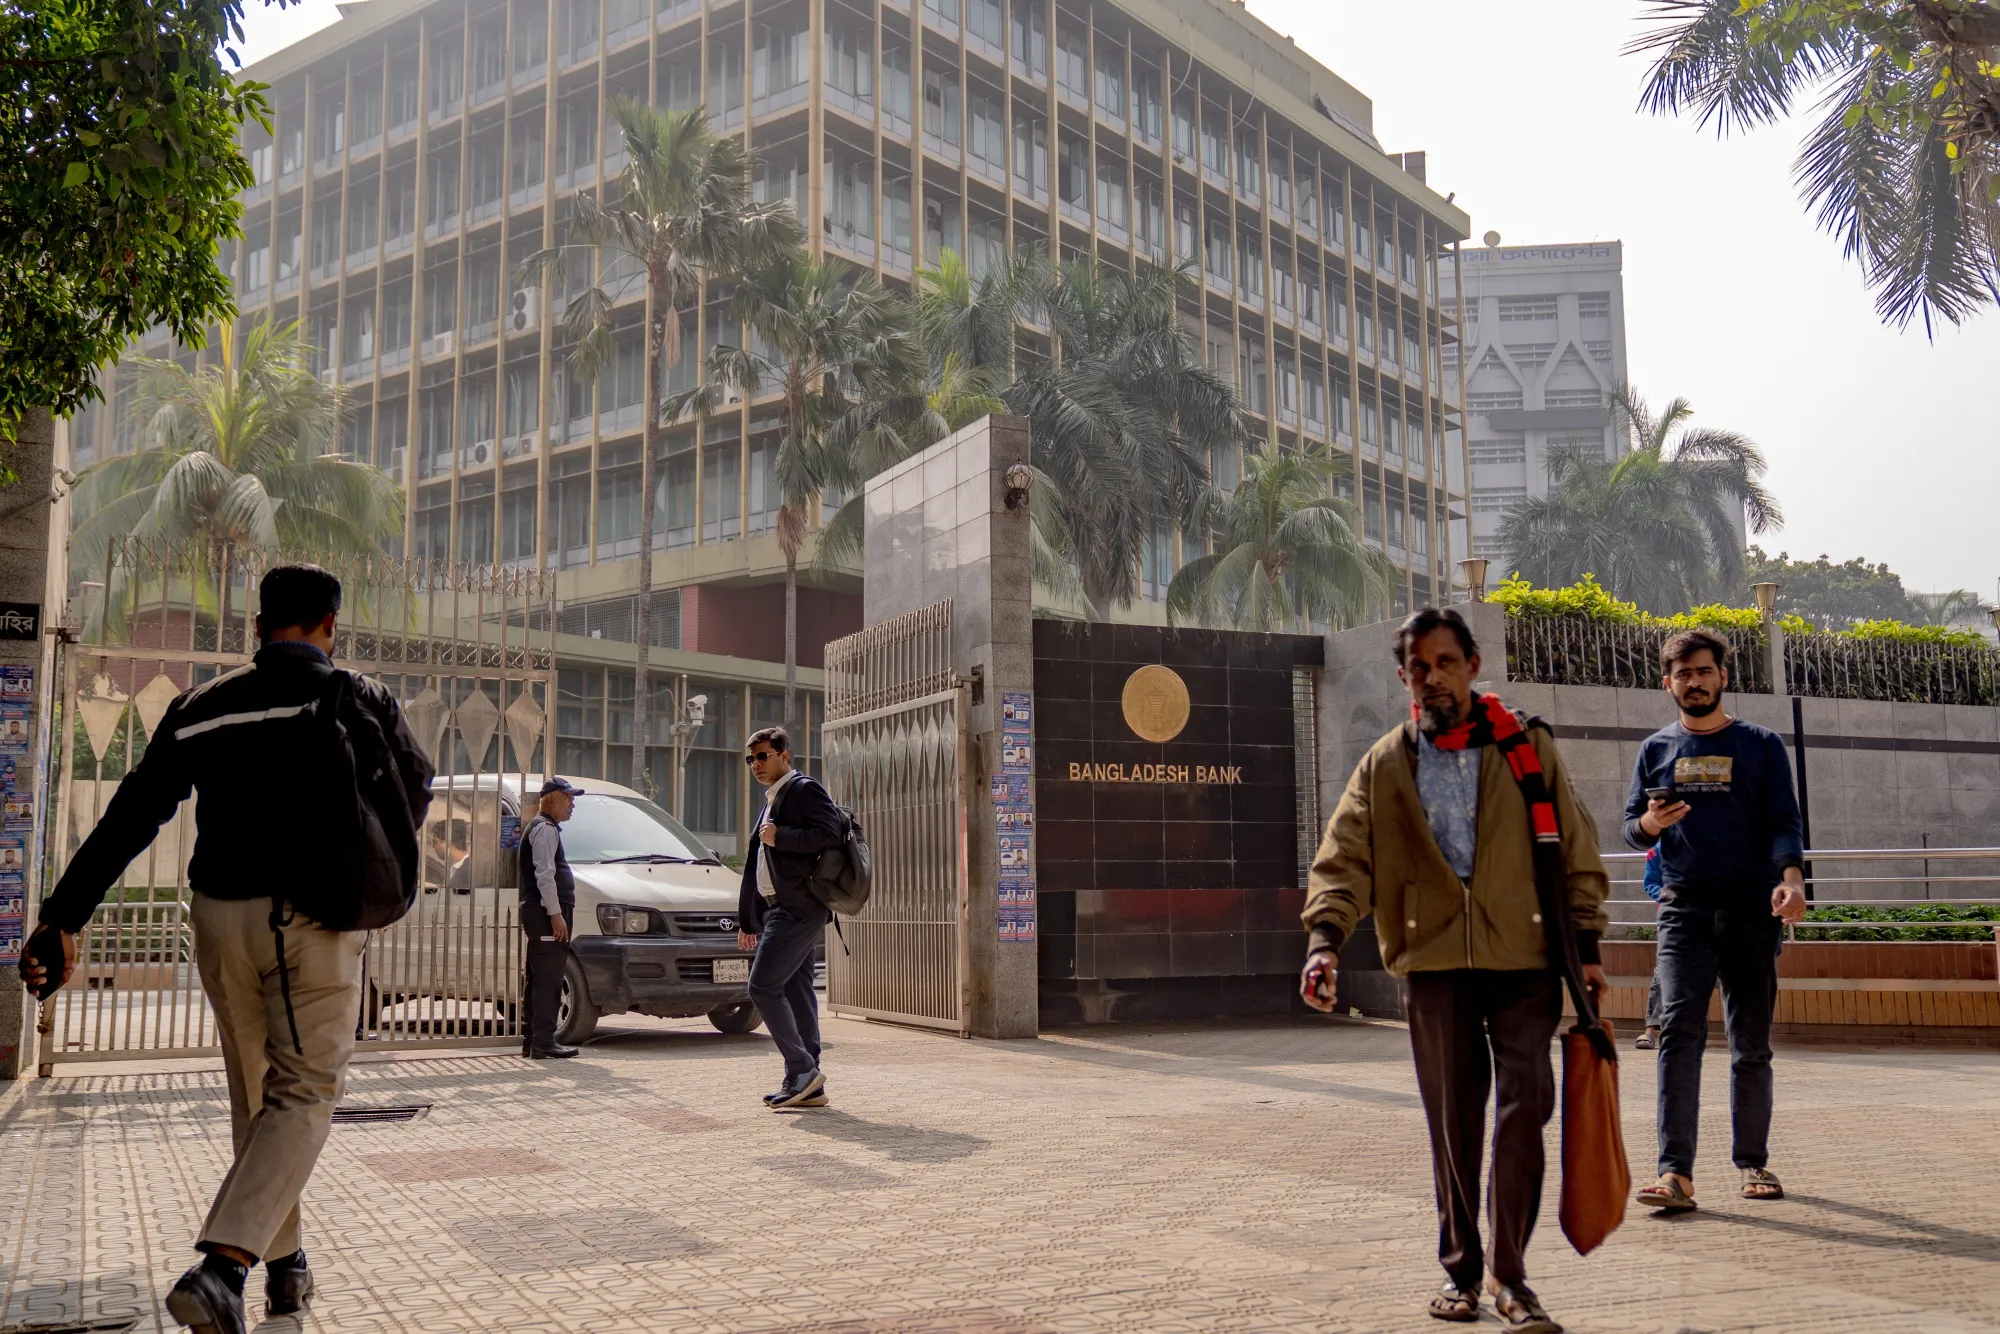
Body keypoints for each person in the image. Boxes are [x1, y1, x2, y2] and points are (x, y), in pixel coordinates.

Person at [19, 564, 433, 1334]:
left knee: (258, 1100)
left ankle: (286, 1270)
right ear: (329, 625)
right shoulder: (355, 697)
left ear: (257, 625)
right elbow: (414, 789)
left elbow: (130, 816)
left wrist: (62, 917)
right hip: (313, 927)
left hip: (217, 925)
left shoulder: (202, 706)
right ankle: (223, 1268)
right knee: (305, 1095)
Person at [1300, 607, 1608, 1334]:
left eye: (1444, 662)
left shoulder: (1526, 749)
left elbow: (1574, 846)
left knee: (1525, 1105)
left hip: (1526, 962)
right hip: (1434, 965)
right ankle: (1463, 1273)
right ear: (1404, 674)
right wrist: (1323, 942)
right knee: (1453, 1121)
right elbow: (1345, 856)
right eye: (1417, 667)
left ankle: (1511, 1275)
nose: (1431, 677)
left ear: (1471, 665)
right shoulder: (1386, 762)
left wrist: (1587, 951)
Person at [1625, 629, 1806, 1213]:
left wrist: (1792, 879)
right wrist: (1651, 826)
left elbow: (1784, 820)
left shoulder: (1760, 744)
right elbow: (1630, 827)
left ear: (1722, 676)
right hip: (1684, 911)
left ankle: (1753, 1161)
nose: (1694, 682)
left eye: (1704, 671)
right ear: (1667, 682)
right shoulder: (1655, 749)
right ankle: (1674, 1172)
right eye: (1683, 674)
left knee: (1750, 1043)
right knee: (1678, 1032)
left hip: (1753, 910)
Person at [735, 726, 844, 1110]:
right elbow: (757, 865)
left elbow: (828, 832)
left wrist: (781, 836)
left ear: (785, 755)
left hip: (797, 908)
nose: (756, 764)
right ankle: (807, 1081)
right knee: (797, 993)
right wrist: (749, 919)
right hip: (776, 909)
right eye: (751, 758)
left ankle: (802, 1069)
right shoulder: (772, 799)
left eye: (763, 755)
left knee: (762, 987)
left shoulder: (803, 789)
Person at [519, 777, 584, 1059]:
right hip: (545, 914)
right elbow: (544, 876)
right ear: (551, 800)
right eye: (568, 798)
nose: (572, 804)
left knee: (540, 977)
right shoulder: (545, 829)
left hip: (543, 913)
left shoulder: (546, 828)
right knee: (548, 979)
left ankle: (534, 1041)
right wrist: (556, 915)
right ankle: (543, 1042)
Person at [1636, 846, 1665, 1050]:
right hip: (1672, 920)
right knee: (1663, 972)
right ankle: (1651, 1029)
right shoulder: (1658, 850)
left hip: (1712, 918)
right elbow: (1651, 883)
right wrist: (1668, 896)